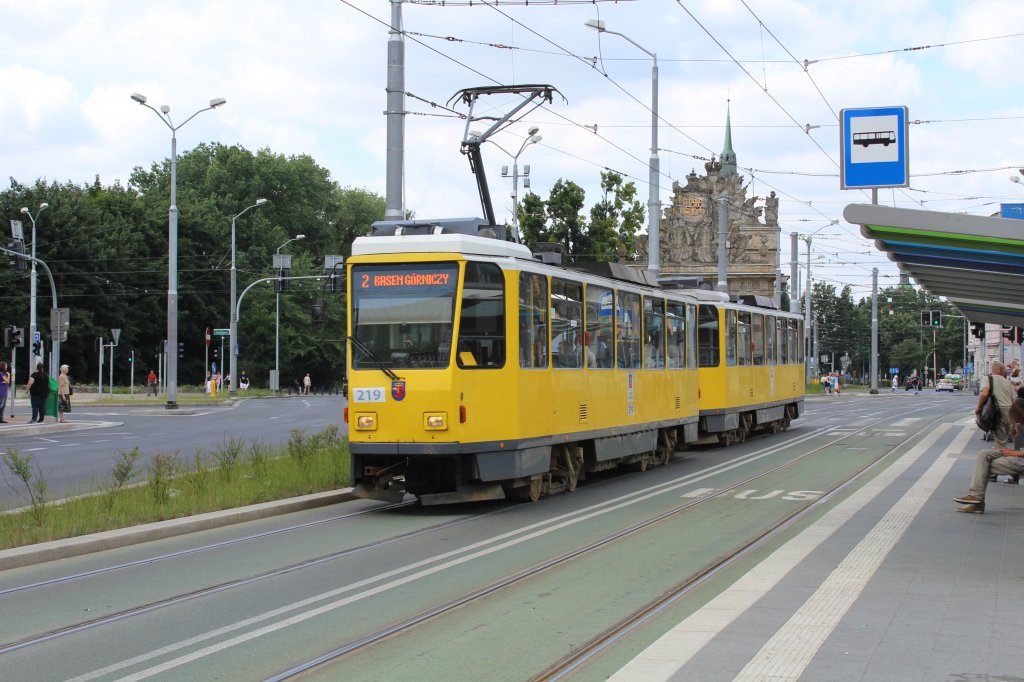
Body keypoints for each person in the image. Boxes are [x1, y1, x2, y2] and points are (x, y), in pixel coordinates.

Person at [955, 398, 1024, 513]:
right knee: (983, 454)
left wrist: (1013, 453)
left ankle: (977, 502)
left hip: (1020, 459)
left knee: (984, 466)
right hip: (1018, 455)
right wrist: (1014, 427)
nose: (1018, 422)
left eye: (1018, 419)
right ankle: (975, 497)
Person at [976, 361, 1015, 447]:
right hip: (1009, 412)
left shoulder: (987, 378)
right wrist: (1014, 425)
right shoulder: (1008, 383)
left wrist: (978, 407)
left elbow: (984, 394)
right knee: (1003, 439)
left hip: (997, 412)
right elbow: (1013, 402)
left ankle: (999, 454)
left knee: (1000, 444)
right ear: (1001, 370)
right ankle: (1001, 452)